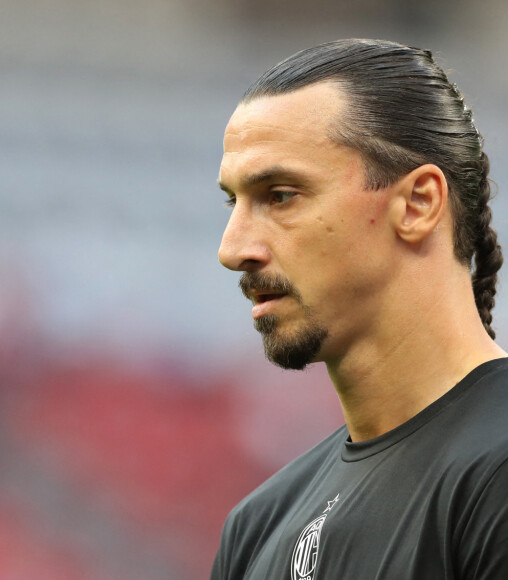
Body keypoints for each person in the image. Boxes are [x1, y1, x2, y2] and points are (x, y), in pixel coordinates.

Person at [211, 38, 508, 579]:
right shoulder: (257, 527)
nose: (232, 250)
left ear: (418, 204)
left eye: (280, 195)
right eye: (235, 202)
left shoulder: (497, 468)